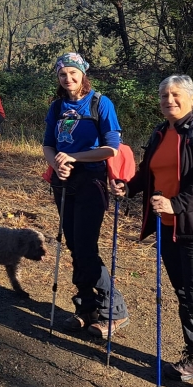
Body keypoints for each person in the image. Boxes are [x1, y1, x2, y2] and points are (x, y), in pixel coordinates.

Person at [109, 74, 193, 387]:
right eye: (164, 94)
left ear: (191, 99)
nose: (169, 99)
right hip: (169, 229)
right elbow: (149, 172)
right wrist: (130, 187)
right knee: (184, 296)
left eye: (176, 94)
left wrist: (173, 204)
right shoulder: (160, 132)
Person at [42, 52, 130, 340]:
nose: (67, 78)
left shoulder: (100, 103)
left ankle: (115, 309)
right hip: (63, 180)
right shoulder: (57, 107)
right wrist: (56, 163)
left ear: (83, 74)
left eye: (72, 73)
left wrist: (74, 159)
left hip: (91, 178)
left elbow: (111, 149)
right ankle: (85, 308)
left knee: (85, 247)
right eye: (62, 74)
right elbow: (48, 145)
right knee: (72, 245)